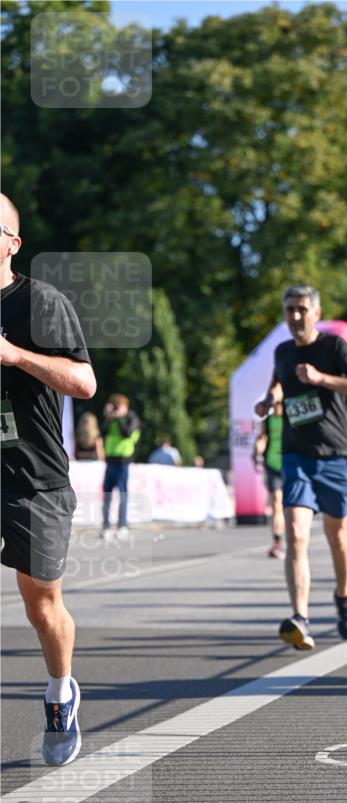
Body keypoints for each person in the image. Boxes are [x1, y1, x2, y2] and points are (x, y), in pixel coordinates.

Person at [0, 192, 96, 766]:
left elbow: (83, 383)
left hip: (33, 478)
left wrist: (13, 356)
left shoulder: (39, 302)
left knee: (41, 607)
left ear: (12, 242)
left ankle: (61, 692)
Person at [254, 284, 347, 649]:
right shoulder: (282, 352)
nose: (295, 316)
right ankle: (300, 618)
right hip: (296, 456)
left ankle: (343, 598)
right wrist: (268, 400)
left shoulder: (334, 348)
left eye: (302, 310)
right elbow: (280, 384)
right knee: (295, 534)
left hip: (335, 455)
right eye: (289, 309)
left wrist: (322, 379)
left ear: (316, 313)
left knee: (336, 535)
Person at [101, 393, 141, 540]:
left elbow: (127, 433)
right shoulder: (110, 420)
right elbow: (103, 433)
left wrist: (118, 418)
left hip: (123, 462)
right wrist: (107, 417)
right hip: (110, 461)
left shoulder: (132, 418)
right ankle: (106, 525)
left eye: (118, 406)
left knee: (122, 494)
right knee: (106, 495)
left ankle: (122, 525)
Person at [253, 383, 285, 559]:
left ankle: (295, 539)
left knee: (291, 507)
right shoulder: (268, 420)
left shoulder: (291, 417)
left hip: (291, 463)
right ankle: (277, 543)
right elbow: (262, 437)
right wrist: (258, 448)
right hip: (273, 464)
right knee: (276, 504)